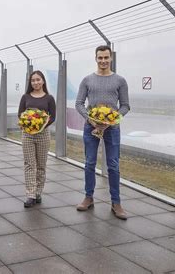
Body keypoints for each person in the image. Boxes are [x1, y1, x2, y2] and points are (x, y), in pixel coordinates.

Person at [75, 45, 130, 220]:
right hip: (91, 127)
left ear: (111, 58)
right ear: (96, 58)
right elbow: (79, 103)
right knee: (90, 162)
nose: (103, 61)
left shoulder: (120, 81)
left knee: (113, 165)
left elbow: (125, 106)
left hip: (112, 128)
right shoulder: (87, 80)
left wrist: (111, 120)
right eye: (100, 58)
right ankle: (88, 197)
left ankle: (116, 202)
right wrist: (91, 120)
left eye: (106, 58)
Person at [18, 71, 56, 208]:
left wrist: (41, 125)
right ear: (30, 83)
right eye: (33, 80)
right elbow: (20, 114)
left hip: (43, 134)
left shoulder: (49, 98)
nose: (36, 82)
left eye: (38, 80)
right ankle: (30, 195)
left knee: (41, 165)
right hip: (27, 134)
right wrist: (27, 124)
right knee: (29, 164)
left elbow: (52, 117)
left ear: (43, 81)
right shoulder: (25, 97)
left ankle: (38, 192)